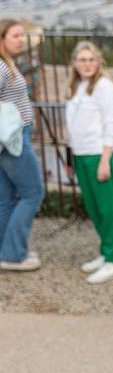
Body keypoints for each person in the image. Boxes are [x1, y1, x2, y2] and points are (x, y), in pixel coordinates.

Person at [65, 41, 113, 284]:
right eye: (82, 59)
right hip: (81, 154)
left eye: (91, 59)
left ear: (99, 62)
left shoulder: (104, 87)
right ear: (74, 63)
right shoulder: (77, 86)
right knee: (94, 207)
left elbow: (111, 122)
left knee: (108, 209)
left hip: (99, 154)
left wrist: (105, 160)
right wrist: (72, 158)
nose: (87, 64)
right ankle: (106, 252)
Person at [0, 20, 44, 272]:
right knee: (32, 193)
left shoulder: (7, 63)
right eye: (16, 35)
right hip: (11, 138)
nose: (22, 40)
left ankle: (5, 250)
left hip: (9, 136)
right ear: (2, 37)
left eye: (23, 35)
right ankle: (14, 254)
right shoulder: (1, 66)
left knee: (5, 198)